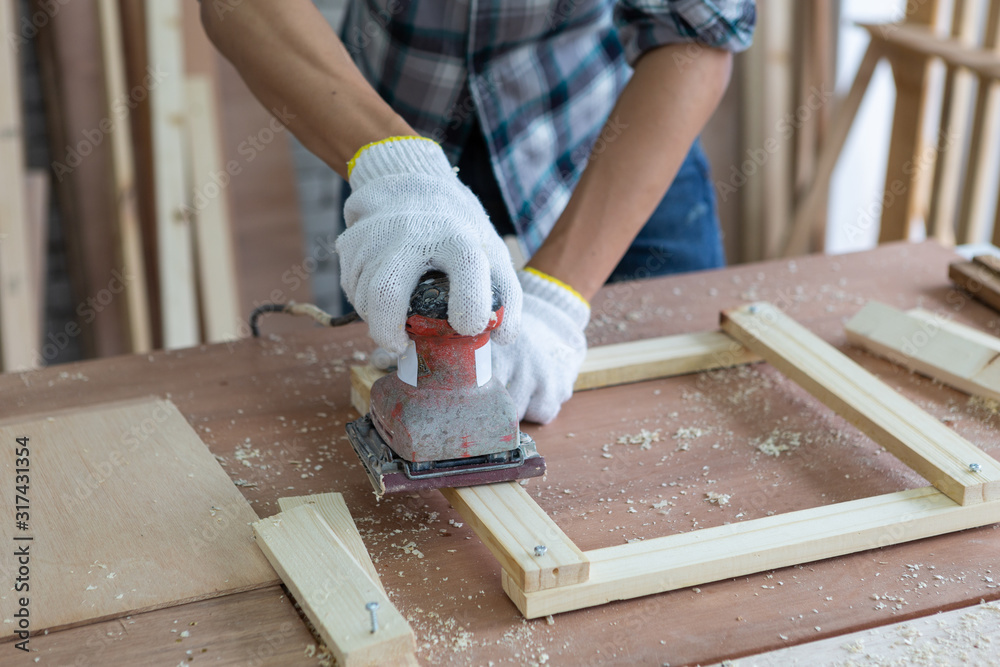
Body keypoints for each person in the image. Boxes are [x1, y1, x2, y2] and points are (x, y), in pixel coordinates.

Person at [203, 0, 756, 423]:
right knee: (396, 365)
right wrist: (395, 167)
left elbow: (696, 34)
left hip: (611, 135)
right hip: (380, 121)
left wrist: (557, 300)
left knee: (690, 413)